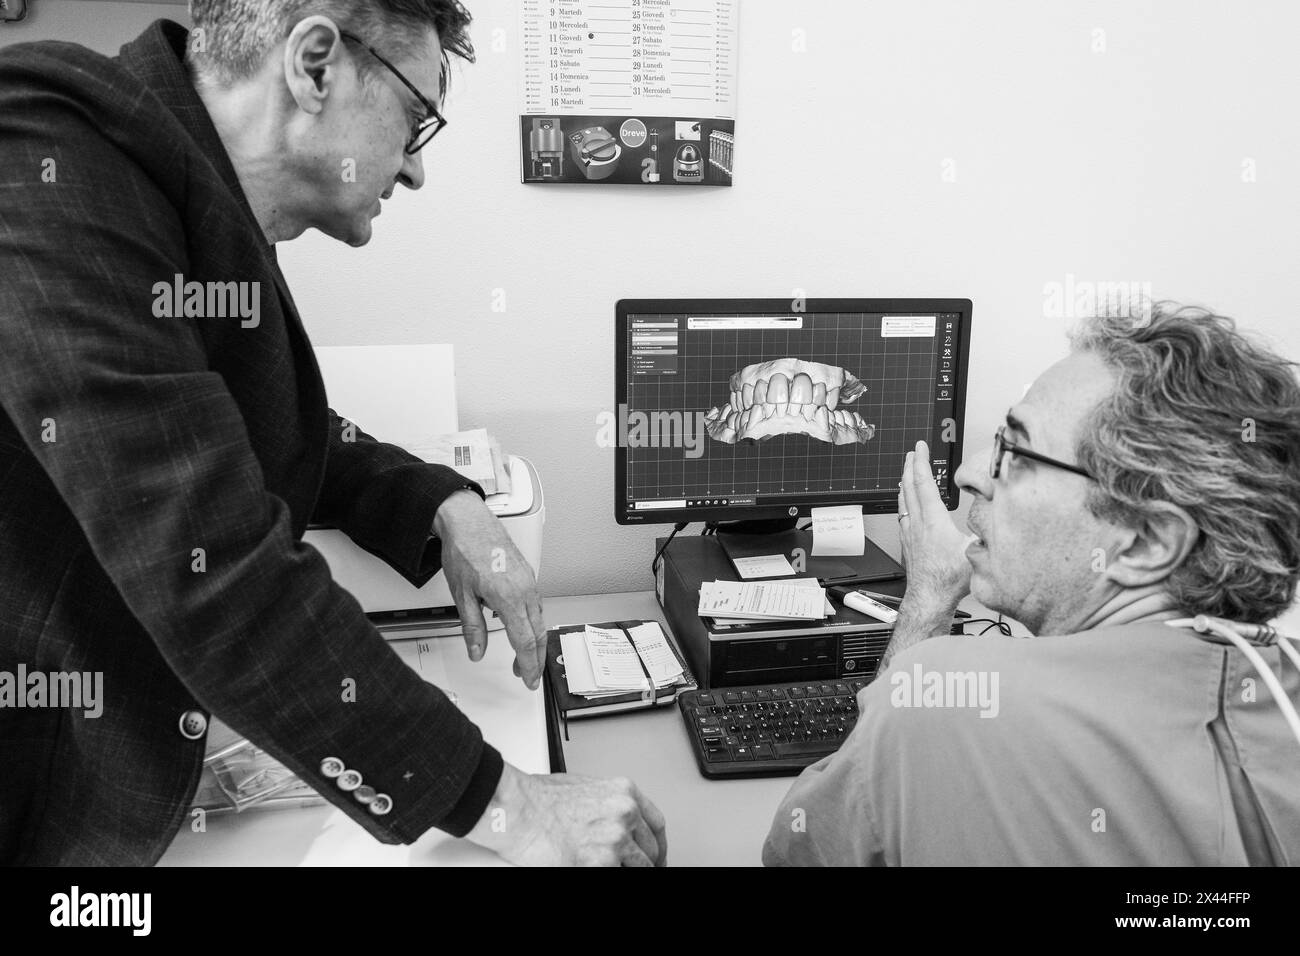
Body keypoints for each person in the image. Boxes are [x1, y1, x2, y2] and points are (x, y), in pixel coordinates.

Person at [0, 1, 665, 866]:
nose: (415, 172)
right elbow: (210, 564)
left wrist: (445, 503)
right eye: (416, 118)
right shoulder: (50, 162)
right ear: (314, 64)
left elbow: (253, 423)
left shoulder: (179, 190)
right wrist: (513, 808)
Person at [763, 304, 1300, 865]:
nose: (970, 475)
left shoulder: (942, 702)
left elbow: (795, 851)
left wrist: (927, 602)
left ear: (1144, 543)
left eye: (1014, 453)